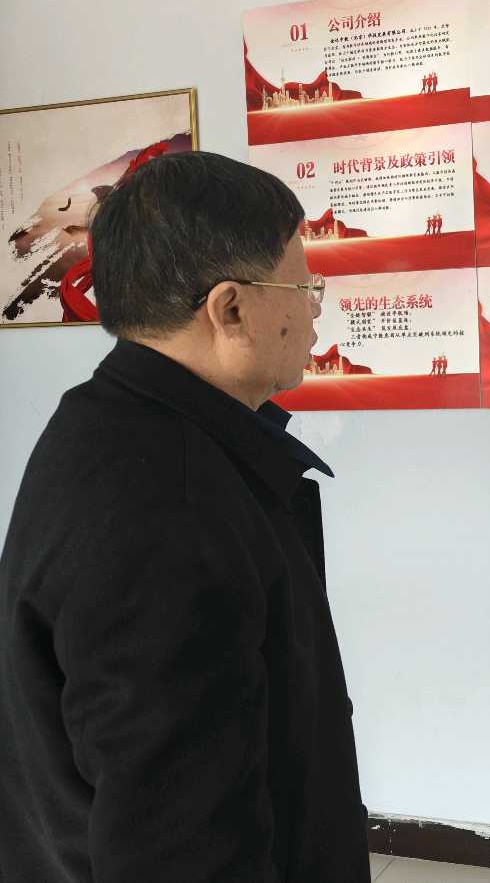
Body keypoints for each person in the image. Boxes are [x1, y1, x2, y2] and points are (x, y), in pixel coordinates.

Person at [0, 151, 370, 882]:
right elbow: (177, 845)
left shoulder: (111, 424)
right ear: (229, 309)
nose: (315, 311)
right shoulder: (165, 510)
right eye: (304, 287)